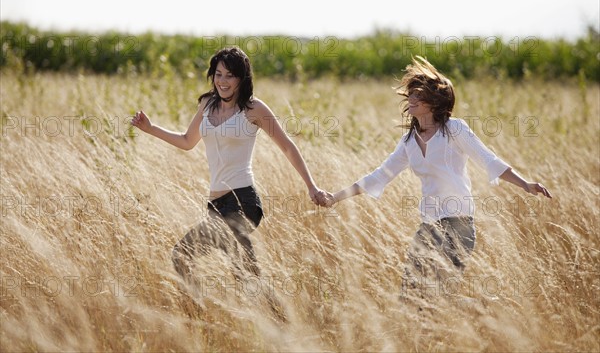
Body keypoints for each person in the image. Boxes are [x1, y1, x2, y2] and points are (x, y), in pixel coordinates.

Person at [322, 56, 552, 282]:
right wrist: (335, 197)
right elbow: (379, 175)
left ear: (435, 102)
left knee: (438, 295)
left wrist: (525, 184)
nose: (411, 98)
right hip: (429, 226)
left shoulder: (454, 130)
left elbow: (488, 160)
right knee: (411, 294)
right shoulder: (408, 141)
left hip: (459, 226)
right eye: (411, 94)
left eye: (419, 95)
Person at [131, 46, 328, 286]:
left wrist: (311, 186)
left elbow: (287, 146)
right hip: (216, 205)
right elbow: (186, 141)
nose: (223, 81)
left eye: (230, 75)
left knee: (197, 259)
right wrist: (151, 129)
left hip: (243, 202)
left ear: (241, 79)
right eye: (218, 74)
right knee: (224, 270)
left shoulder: (253, 109)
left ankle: (265, 316)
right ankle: (211, 313)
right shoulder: (207, 104)